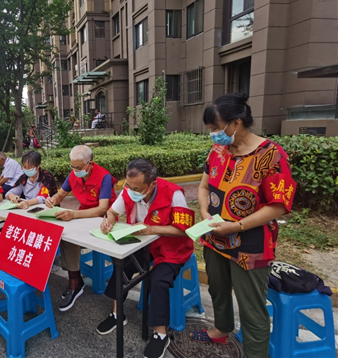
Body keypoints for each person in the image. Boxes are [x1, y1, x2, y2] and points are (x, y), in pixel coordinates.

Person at [190, 93, 296, 358]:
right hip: (215, 237)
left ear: (235, 124)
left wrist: (236, 226)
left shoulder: (271, 156)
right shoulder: (218, 150)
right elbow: (204, 186)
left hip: (251, 243)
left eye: (215, 128)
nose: (213, 135)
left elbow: (278, 205)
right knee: (218, 289)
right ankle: (221, 329)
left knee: (251, 307)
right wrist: (204, 212)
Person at [96, 159, 194, 358]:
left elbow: (185, 230)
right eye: (129, 186)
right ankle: (117, 314)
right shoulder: (128, 191)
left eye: (137, 189)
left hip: (171, 249)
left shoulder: (174, 193)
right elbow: (113, 211)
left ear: (152, 185)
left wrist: (152, 229)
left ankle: (160, 334)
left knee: (158, 281)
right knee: (121, 264)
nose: (131, 191)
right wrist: (108, 221)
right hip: (143, 245)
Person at [45, 145, 117, 311]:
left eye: (78, 167)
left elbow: (102, 208)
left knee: (71, 235)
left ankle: (81, 282)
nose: (75, 170)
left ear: (90, 164)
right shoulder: (73, 175)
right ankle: (75, 281)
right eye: (72, 166)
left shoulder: (104, 177)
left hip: (103, 220)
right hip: (82, 217)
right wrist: (52, 200)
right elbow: (60, 195)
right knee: (65, 235)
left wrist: (74, 215)